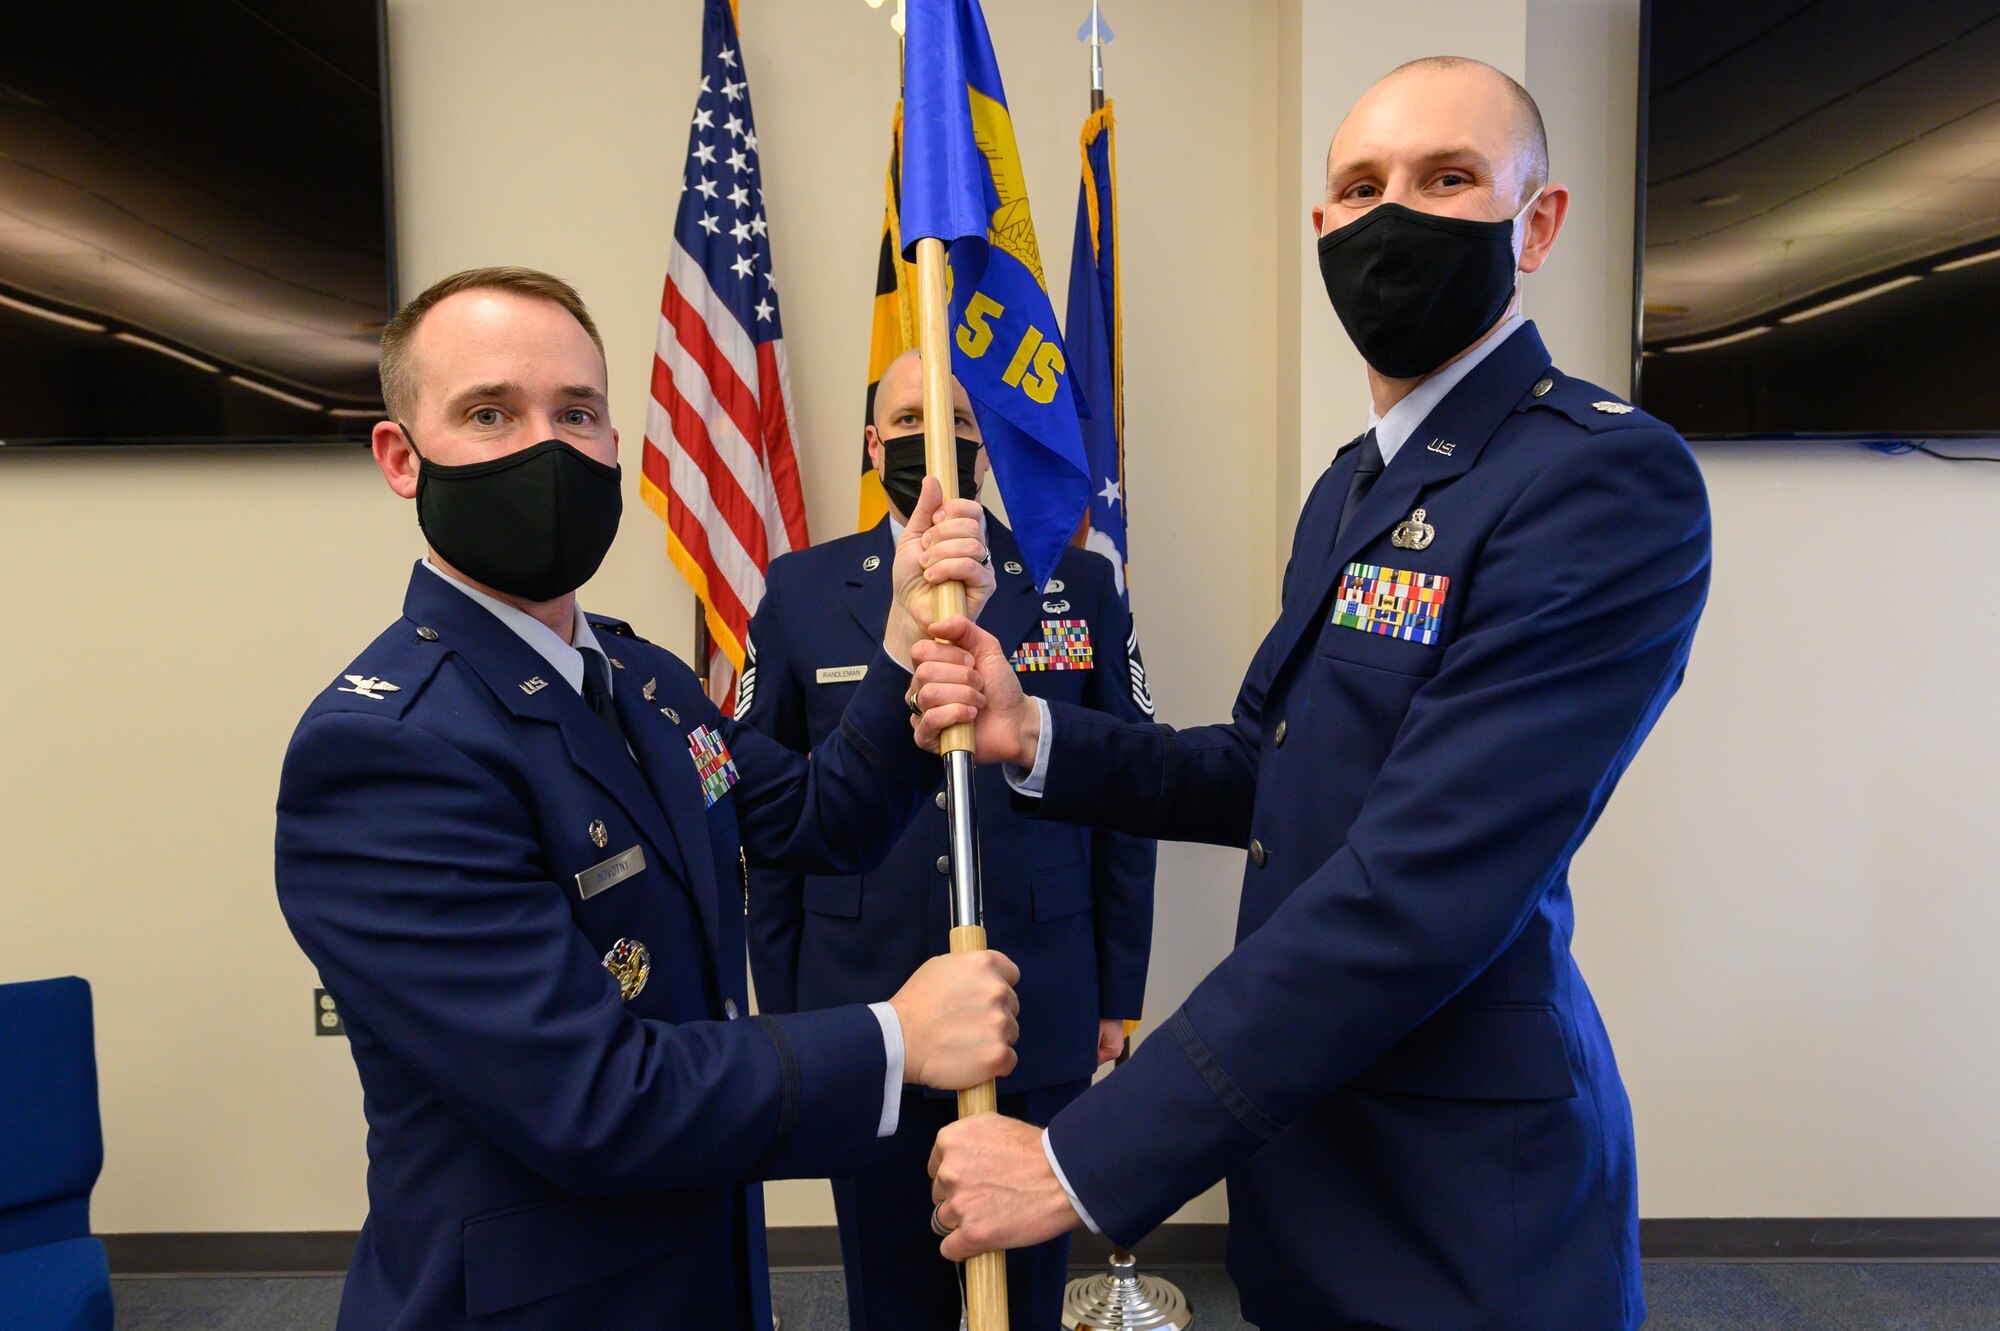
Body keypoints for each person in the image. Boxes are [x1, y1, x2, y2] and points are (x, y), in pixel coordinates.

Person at [914, 57, 1713, 1330]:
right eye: (1359, 186)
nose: (1392, 215)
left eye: (1447, 178)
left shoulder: (1602, 482)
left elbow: (1420, 880)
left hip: (1458, 1201)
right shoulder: (1351, 487)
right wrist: (1040, 735)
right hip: (1300, 1149)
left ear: (1536, 221)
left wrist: (1082, 1152)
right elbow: (1268, 770)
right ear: (1323, 229)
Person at [275, 266, 1017, 1331]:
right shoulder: (385, 750)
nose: (546, 445)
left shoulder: (645, 682)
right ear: (403, 455)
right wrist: (894, 1037)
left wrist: (902, 637)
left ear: (618, 441)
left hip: (700, 1265)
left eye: (576, 412)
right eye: (490, 412)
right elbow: (593, 1094)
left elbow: (818, 818)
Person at [737, 348, 1157, 1329]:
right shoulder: (800, 591)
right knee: (887, 1282)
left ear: (987, 446)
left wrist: (1116, 990)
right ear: (873, 442)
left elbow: (1126, 799)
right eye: (913, 419)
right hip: (862, 996)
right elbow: (768, 821)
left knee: (1026, 1285)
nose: (940, 440)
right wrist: (787, 1002)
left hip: (1036, 993)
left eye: (963, 425)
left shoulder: (1073, 584)